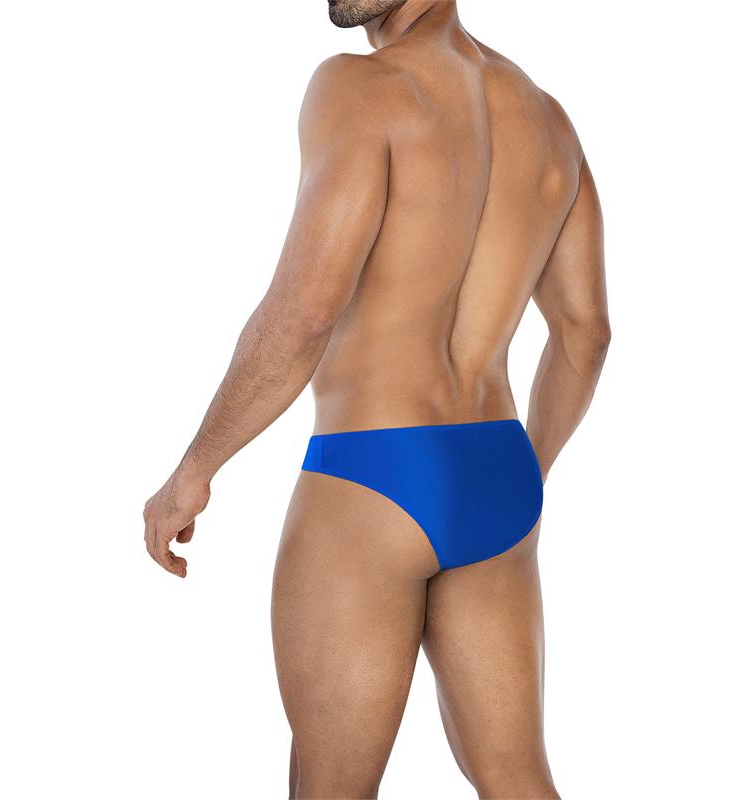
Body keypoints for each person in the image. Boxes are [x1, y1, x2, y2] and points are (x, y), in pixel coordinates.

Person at [142, 1, 610, 796]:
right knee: (517, 780)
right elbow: (585, 333)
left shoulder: (360, 88)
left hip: (375, 476)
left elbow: (305, 310)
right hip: (497, 476)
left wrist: (194, 468)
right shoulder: (548, 119)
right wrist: (521, 474)